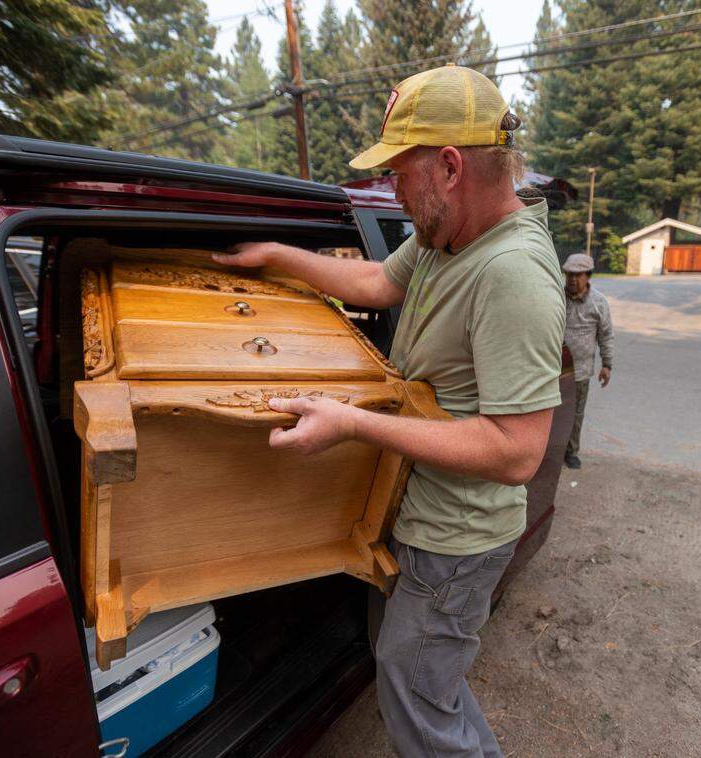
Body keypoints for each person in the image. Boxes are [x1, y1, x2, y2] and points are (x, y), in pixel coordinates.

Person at [213, 64, 564, 757]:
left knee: (416, 696)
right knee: (423, 680)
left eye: (400, 174)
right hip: (419, 514)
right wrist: (283, 257)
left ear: (451, 166)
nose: (393, 192)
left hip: (457, 541)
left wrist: (352, 423)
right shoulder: (445, 238)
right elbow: (375, 281)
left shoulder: (512, 274)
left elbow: (518, 452)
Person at [560, 253, 614, 469]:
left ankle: (571, 451)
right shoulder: (556, 298)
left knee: (576, 413)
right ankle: (550, 451)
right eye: (569, 275)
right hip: (552, 370)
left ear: (588, 276)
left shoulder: (599, 302)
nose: (573, 280)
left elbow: (606, 335)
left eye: (578, 275)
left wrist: (607, 365)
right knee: (551, 413)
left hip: (581, 371)